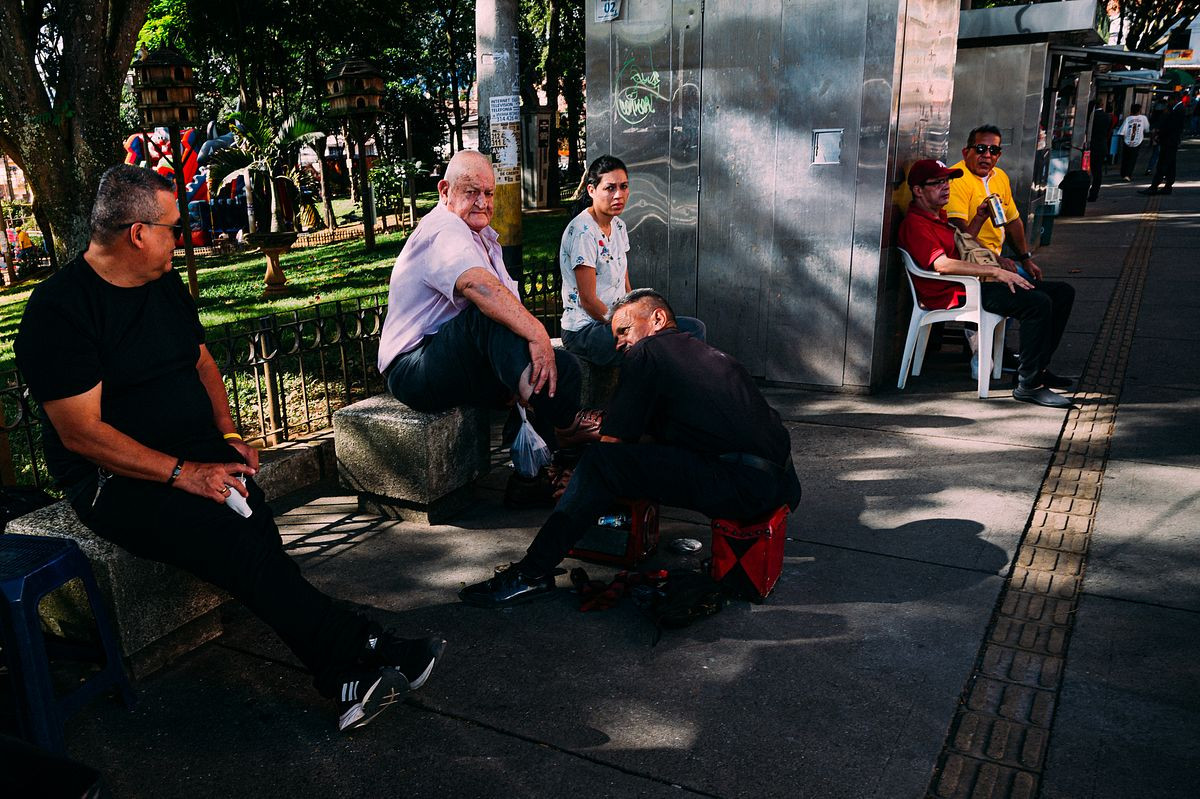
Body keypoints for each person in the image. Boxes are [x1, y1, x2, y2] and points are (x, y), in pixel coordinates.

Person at [14, 165, 444, 733]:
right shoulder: (60, 311)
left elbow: (202, 363)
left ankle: (345, 674)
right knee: (236, 541)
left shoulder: (162, 282)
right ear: (137, 233)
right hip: (114, 479)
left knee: (253, 533)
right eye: (173, 227)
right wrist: (186, 473)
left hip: (193, 453)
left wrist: (229, 435)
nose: (182, 238)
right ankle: (365, 644)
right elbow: (82, 435)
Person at [458, 289, 803, 608]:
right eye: (615, 337)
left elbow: (612, 446)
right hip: (780, 485)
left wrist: (577, 479)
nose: (620, 343)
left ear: (657, 319)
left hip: (743, 486)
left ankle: (531, 573)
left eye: (624, 330)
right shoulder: (706, 353)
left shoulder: (646, 352)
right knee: (619, 461)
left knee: (600, 464)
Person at [378, 150, 595, 449]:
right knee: (487, 317)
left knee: (561, 367)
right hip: (413, 370)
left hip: (459, 361)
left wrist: (530, 351)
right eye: (471, 192)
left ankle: (542, 468)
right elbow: (479, 288)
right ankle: (567, 425)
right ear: (445, 191)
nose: (482, 202)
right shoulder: (444, 227)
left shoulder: (478, 235)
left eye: (489, 193)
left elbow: (505, 306)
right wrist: (537, 333)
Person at [899, 160, 1075, 409]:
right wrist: (995, 271)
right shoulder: (916, 224)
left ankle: (1039, 369)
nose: (946, 187)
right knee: (1037, 304)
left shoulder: (938, 216)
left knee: (1062, 293)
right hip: (955, 293)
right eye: (937, 183)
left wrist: (980, 218)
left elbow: (963, 244)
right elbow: (942, 264)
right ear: (918, 190)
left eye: (947, 181)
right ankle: (1029, 384)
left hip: (971, 285)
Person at [559, 155, 705, 367]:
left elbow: (624, 279)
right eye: (610, 188)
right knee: (650, 340)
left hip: (621, 319)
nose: (618, 195)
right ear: (591, 190)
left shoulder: (618, 226)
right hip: (587, 330)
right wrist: (628, 324)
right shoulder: (583, 231)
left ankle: (683, 383)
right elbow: (588, 300)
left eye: (624, 186)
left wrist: (637, 312)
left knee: (693, 328)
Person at [1140, 92, 1187, 196]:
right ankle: (1167, 186)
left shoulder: (1178, 110)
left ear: (1174, 100)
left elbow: (1171, 126)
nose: (1168, 103)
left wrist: (1159, 133)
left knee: (1163, 163)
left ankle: (1155, 186)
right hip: (1171, 141)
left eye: (1169, 100)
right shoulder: (1176, 109)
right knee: (1170, 164)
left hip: (1169, 141)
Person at [1117, 103, 1150, 181]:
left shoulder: (1128, 119)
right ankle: (1128, 175)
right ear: (1139, 110)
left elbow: (1121, 132)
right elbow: (1147, 129)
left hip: (1127, 141)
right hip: (1137, 141)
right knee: (1132, 159)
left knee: (1125, 158)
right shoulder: (1143, 118)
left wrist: (1124, 140)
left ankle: (1123, 173)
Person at [1087, 103, 1113, 201]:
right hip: (1102, 145)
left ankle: (1083, 192)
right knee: (1097, 172)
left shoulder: (1091, 116)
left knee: (1086, 170)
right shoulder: (1107, 117)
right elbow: (1109, 131)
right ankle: (1094, 194)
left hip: (1090, 146)